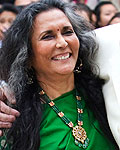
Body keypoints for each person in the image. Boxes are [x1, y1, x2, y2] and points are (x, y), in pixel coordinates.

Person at [0, 0, 119, 149]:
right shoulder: (12, 117)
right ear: (26, 55)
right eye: (47, 36)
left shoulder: (106, 91)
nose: (62, 43)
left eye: (68, 32)